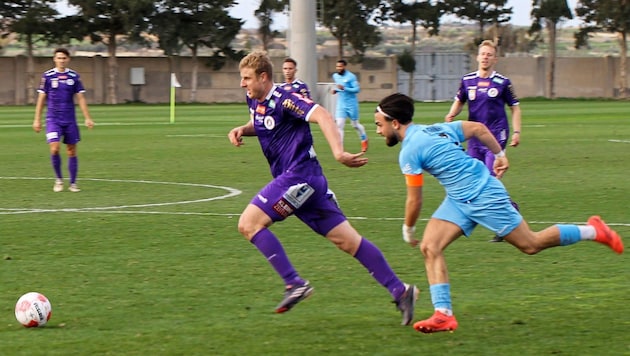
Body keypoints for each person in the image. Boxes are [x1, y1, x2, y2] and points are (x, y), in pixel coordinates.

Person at [373, 92, 624, 334]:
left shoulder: (409, 151)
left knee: (531, 244)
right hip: (459, 199)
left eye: (379, 125)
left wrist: (408, 229)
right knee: (430, 247)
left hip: (483, 194)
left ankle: (594, 230)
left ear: (394, 122)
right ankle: (443, 314)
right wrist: (499, 155)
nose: (378, 131)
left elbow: (415, 200)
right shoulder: (436, 128)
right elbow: (478, 129)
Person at [227, 51, 418, 325]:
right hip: (305, 182)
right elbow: (264, 124)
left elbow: (324, 116)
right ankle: (401, 291)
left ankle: (295, 283)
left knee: (248, 224)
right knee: (348, 241)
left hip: (299, 176)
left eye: (246, 78)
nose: (242, 84)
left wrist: (339, 152)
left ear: (263, 76)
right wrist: (243, 129)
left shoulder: (286, 98)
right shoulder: (254, 99)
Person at [444, 40, 522, 242]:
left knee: (488, 179)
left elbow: (515, 107)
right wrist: (451, 115)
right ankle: (510, 209)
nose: (485, 57)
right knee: (472, 179)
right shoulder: (467, 80)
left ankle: (504, 222)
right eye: (483, 54)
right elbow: (460, 100)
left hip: (496, 135)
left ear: (495, 59)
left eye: (489, 54)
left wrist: (517, 132)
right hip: (474, 137)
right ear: (477, 57)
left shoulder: (503, 82)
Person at [33, 47, 94, 193]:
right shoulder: (47, 76)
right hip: (53, 119)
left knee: (71, 151)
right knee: (54, 148)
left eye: (64, 58)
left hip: (70, 119)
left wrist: (87, 118)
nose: (61, 60)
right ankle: (59, 180)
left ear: (68, 59)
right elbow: (41, 98)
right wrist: (37, 120)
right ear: (54, 59)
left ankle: (73, 183)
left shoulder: (74, 76)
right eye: (59, 58)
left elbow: (80, 98)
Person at [331, 59, 369, 152]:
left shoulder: (351, 77)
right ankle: (340, 148)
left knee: (355, 125)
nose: (338, 68)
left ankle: (364, 139)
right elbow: (339, 87)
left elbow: (356, 90)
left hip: (351, 104)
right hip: (341, 104)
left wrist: (344, 88)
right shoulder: (335, 76)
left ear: (344, 66)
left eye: (340, 66)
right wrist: (336, 90)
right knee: (339, 125)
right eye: (337, 66)